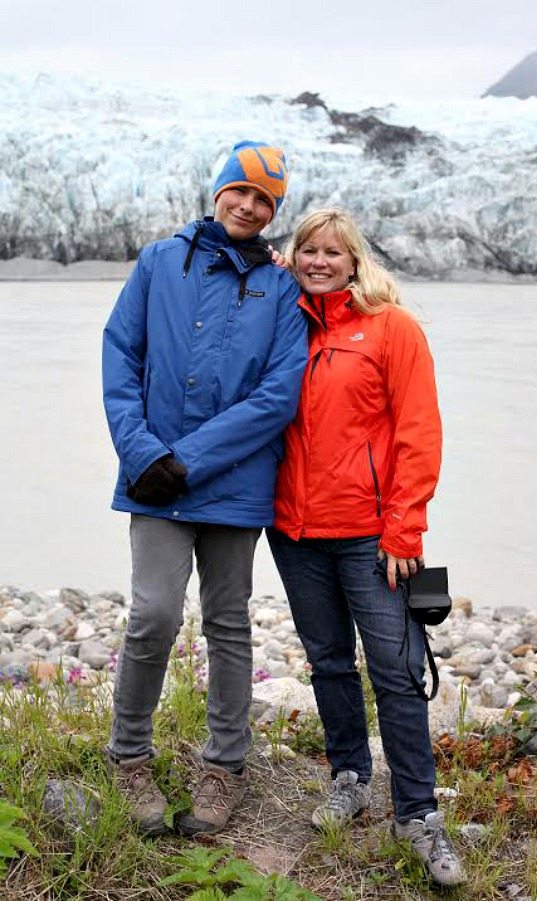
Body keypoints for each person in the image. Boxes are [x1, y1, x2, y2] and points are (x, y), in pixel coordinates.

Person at [102, 140, 308, 837]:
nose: (248, 206)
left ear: (272, 212)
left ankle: (224, 766)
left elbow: (279, 394)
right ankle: (129, 755)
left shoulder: (282, 288)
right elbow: (120, 353)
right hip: (152, 476)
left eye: (264, 200)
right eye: (239, 191)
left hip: (231, 484)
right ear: (218, 191)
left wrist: (186, 459)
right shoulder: (161, 261)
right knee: (153, 614)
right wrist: (141, 451)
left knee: (227, 622)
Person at [267, 209, 465, 887]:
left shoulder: (392, 329)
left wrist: (405, 529)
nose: (320, 261)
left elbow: (420, 431)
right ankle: (348, 776)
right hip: (293, 531)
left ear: (355, 261)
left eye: (333, 251)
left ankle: (417, 811)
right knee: (327, 662)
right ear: (293, 257)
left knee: (398, 672)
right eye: (307, 250)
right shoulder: (284, 320)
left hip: (370, 535)